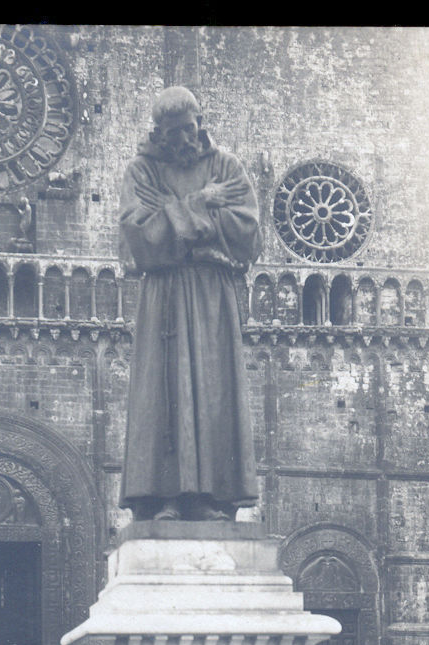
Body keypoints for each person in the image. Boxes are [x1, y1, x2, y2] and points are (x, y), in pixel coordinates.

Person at [119, 86, 261, 521]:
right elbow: (139, 234)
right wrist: (201, 203)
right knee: (163, 389)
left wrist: (175, 215)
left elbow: (247, 233)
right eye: (171, 133)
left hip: (213, 293)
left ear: (201, 122)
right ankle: (162, 496)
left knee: (213, 388)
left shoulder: (226, 166)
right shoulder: (142, 170)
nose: (181, 140)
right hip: (163, 293)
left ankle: (209, 497)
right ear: (157, 133)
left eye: (187, 129)